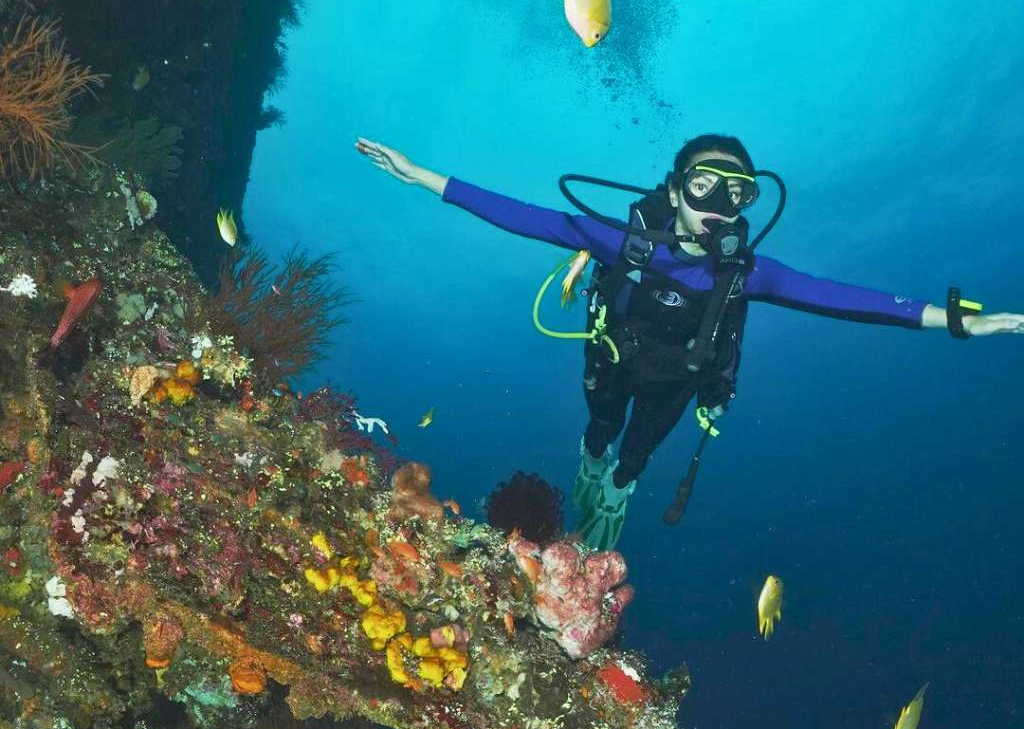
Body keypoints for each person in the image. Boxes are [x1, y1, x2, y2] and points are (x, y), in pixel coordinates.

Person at [355, 134, 1024, 550]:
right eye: (706, 185)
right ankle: (593, 464)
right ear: (675, 189)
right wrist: (421, 176)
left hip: (679, 383)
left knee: (635, 458)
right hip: (611, 360)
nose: (720, 204)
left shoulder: (748, 271)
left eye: (739, 194)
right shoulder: (624, 242)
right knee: (600, 429)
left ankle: (614, 488)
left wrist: (960, 320)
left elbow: (844, 298)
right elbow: (529, 218)